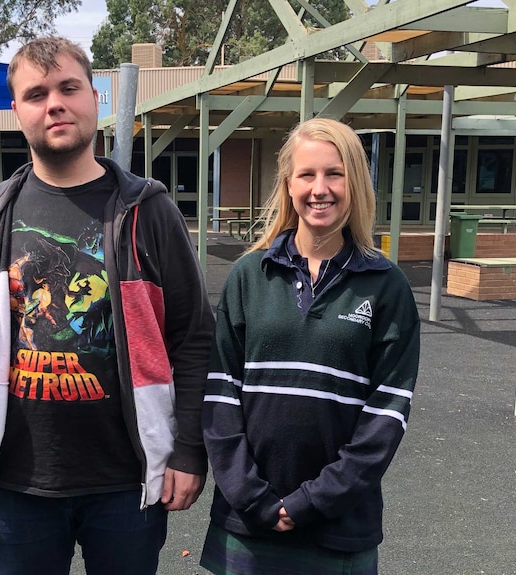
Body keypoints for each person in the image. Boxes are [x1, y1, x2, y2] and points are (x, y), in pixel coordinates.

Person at [0, 36, 214, 575]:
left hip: (128, 480)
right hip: (17, 484)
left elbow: (193, 336)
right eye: (35, 94)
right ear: (16, 110)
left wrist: (186, 449)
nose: (54, 103)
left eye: (68, 87)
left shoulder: (147, 212)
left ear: (94, 97)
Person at [199, 118, 420, 575]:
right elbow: (220, 397)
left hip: (339, 524)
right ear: (288, 184)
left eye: (334, 173)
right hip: (247, 521)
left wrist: (312, 501)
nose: (321, 188)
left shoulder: (387, 286)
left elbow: (386, 414)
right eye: (307, 174)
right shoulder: (247, 277)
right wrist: (254, 497)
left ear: (355, 182)